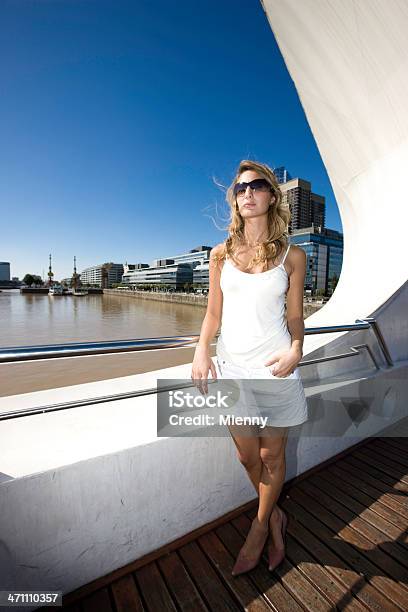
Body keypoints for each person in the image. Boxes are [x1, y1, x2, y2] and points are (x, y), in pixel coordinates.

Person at [191, 159, 308, 576]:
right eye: (241, 188)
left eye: (257, 186)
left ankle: (259, 530)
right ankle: (276, 515)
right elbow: (212, 314)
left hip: (276, 369)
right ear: (235, 199)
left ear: (272, 196)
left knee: (271, 456)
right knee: (247, 457)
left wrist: (296, 349)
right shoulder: (220, 255)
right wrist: (202, 350)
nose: (248, 193)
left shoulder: (293, 256)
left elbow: (295, 316)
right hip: (234, 370)